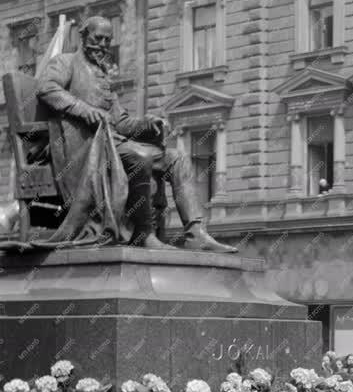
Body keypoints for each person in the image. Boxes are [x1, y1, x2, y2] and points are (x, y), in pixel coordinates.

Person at [37, 15, 235, 252]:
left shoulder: (103, 76)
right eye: (97, 38)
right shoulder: (65, 62)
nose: (102, 45)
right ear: (83, 36)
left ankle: (196, 233)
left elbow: (120, 122)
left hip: (113, 142)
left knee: (176, 158)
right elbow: (46, 88)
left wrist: (147, 124)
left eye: (107, 41)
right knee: (139, 156)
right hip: (86, 146)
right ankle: (144, 234)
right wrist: (84, 109)